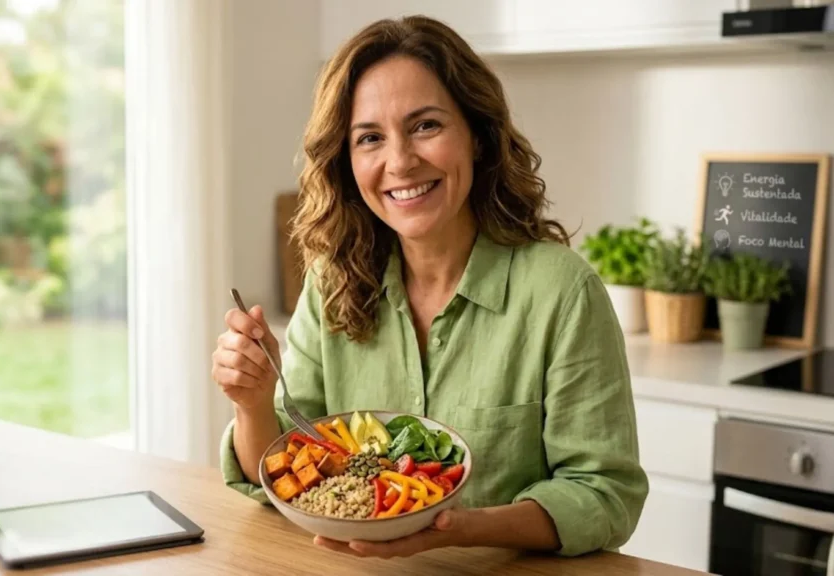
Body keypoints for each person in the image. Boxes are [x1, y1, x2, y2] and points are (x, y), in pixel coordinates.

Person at [213, 15, 648, 559]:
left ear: (479, 138)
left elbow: (604, 495)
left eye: (426, 126)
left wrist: (459, 527)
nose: (400, 162)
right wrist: (252, 404)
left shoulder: (561, 291)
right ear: (347, 164)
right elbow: (278, 475)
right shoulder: (331, 281)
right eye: (370, 138)